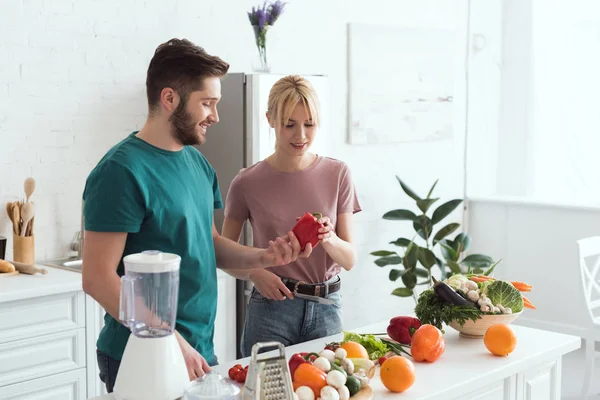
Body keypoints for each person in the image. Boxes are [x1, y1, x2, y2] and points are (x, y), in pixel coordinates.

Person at [81, 39, 311, 393]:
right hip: (142, 355)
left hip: (198, 350)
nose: (215, 116)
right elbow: (97, 278)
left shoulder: (197, 164)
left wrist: (264, 256)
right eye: (207, 103)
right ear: (169, 99)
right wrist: (170, 340)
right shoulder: (120, 171)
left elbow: (210, 244)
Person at [222, 75, 362, 357]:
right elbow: (224, 254)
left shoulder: (338, 174)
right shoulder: (246, 182)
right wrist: (254, 273)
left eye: (309, 124)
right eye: (289, 125)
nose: (300, 136)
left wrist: (329, 238)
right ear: (270, 119)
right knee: (264, 392)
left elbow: (349, 259)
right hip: (271, 309)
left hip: (327, 307)